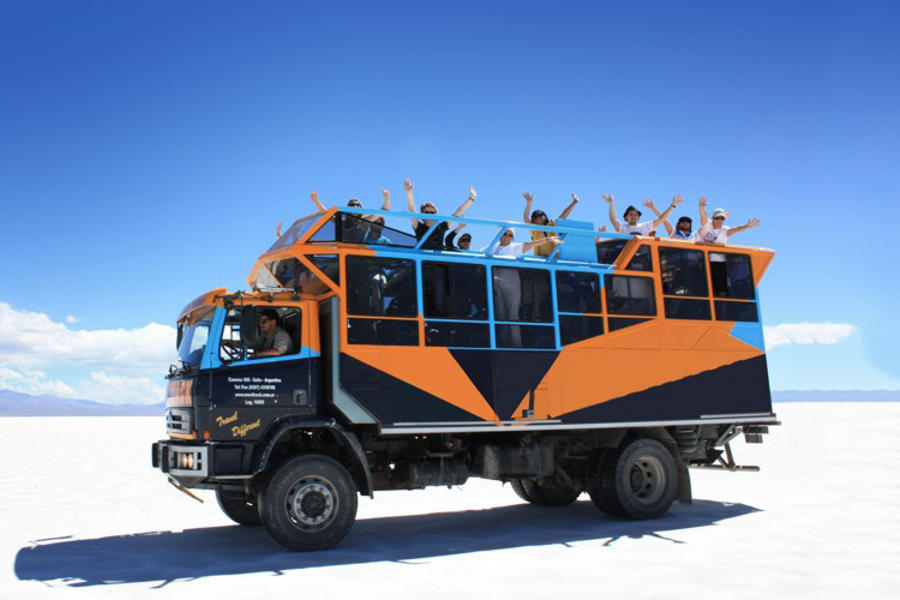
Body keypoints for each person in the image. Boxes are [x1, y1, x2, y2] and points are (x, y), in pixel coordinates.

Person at [404, 178, 476, 249]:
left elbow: (458, 212)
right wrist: (409, 192)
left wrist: (472, 198)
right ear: (422, 214)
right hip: (422, 256)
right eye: (426, 212)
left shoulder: (441, 226)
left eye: (432, 212)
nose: (429, 214)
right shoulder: (418, 227)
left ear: (436, 214)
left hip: (438, 255)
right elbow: (412, 210)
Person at [523, 192, 580, 256]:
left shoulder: (551, 225)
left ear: (545, 217)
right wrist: (529, 203)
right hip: (540, 259)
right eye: (535, 217)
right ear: (533, 221)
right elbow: (526, 218)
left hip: (554, 258)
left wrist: (574, 202)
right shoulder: (534, 231)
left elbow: (563, 216)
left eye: (540, 215)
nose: (538, 218)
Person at [603, 193, 682, 235]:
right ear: (625, 217)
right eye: (631, 214)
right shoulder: (622, 228)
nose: (633, 216)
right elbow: (613, 219)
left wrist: (673, 205)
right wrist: (611, 204)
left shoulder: (645, 226)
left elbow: (662, 219)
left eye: (636, 214)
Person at [308, 188, 391, 212]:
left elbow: (384, 210)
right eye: (352, 205)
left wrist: (387, 199)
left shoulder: (365, 221)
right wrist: (316, 201)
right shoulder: (342, 220)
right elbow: (326, 213)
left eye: (357, 205)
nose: (355, 206)